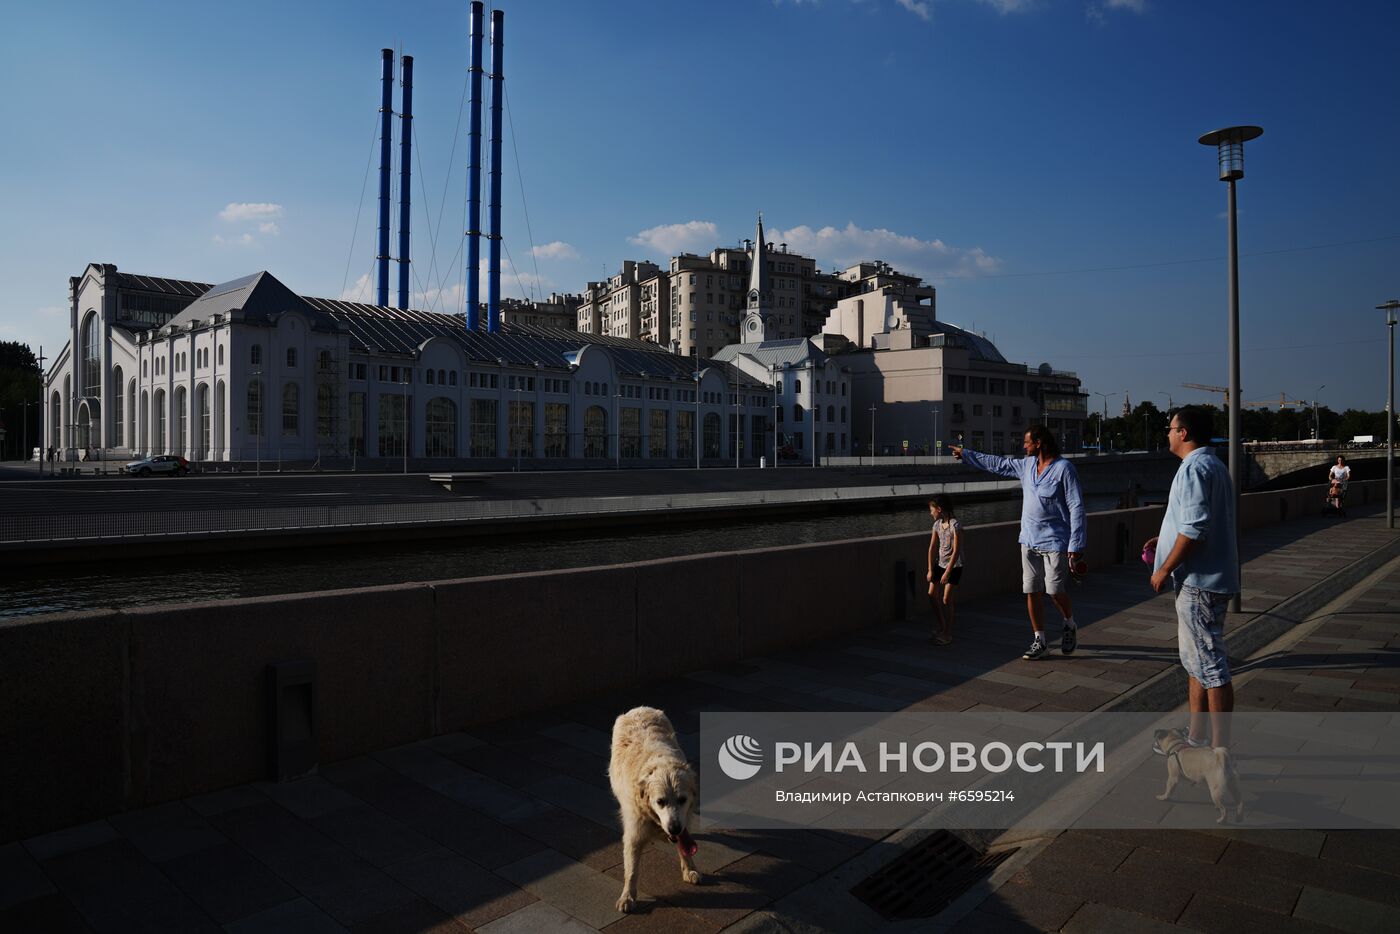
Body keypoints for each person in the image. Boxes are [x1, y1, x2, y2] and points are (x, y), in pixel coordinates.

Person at [1146, 407, 1239, 751]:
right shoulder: (1214, 465)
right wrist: (1166, 540)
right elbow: (1197, 522)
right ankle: (1197, 738)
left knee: (1212, 668)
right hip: (1212, 578)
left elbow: (1196, 529)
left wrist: (1164, 568)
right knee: (1198, 663)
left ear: (1183, 433)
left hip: (1199, 583)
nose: (1168, 434)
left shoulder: (1193, 469)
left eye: (1170, 428)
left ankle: (1219, 754)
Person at [951, 426, 1086, 660]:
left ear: (1039, 443)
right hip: (1029, 539)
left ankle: (1069, 623)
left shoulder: (1064, 469)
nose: (1023, 446)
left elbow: (1076, 507)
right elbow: (998, 464)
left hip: (1055, 541)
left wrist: (1076, 545)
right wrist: (966, 454)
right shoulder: (1027, 466)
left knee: (1054, 591)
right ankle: (1039, 640)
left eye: (1027, 442)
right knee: (1031, 590)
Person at [926, 495, 963, 646]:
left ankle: (947, 634)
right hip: (939, 564)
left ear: (939, 509)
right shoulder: (936, 525)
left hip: (954, 566)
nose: (931, 513)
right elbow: (932, 547)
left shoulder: (955, 525)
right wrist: (930, 569)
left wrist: (947, 572)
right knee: (931, 594)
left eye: (932, 510)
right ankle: (942, 625)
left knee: (946, 599)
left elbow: (956, 551)